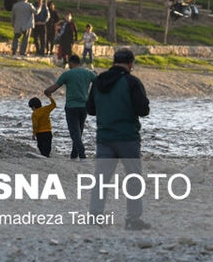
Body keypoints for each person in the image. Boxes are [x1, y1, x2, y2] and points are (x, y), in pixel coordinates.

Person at [86, 48, 152, 230]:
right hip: (127, 137)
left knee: (101, 179)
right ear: (131, 63)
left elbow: (90, 109)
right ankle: (132, 220)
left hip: (104, 136)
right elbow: (143, 110)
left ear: (114, 61)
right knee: (133, 178)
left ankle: (94, 217)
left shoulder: (98, 81)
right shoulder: (131, 82)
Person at [44, 54, 96, 160]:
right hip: (84, 107)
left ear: (71, 63)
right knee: (78, 133)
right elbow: (99, 83)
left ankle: (82, 155)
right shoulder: (89, 73)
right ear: (79, 63)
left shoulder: (67, 74)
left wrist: (47, 92)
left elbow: (53, 88)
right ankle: (74, 156)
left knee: (74, 133)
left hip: (71, 107)